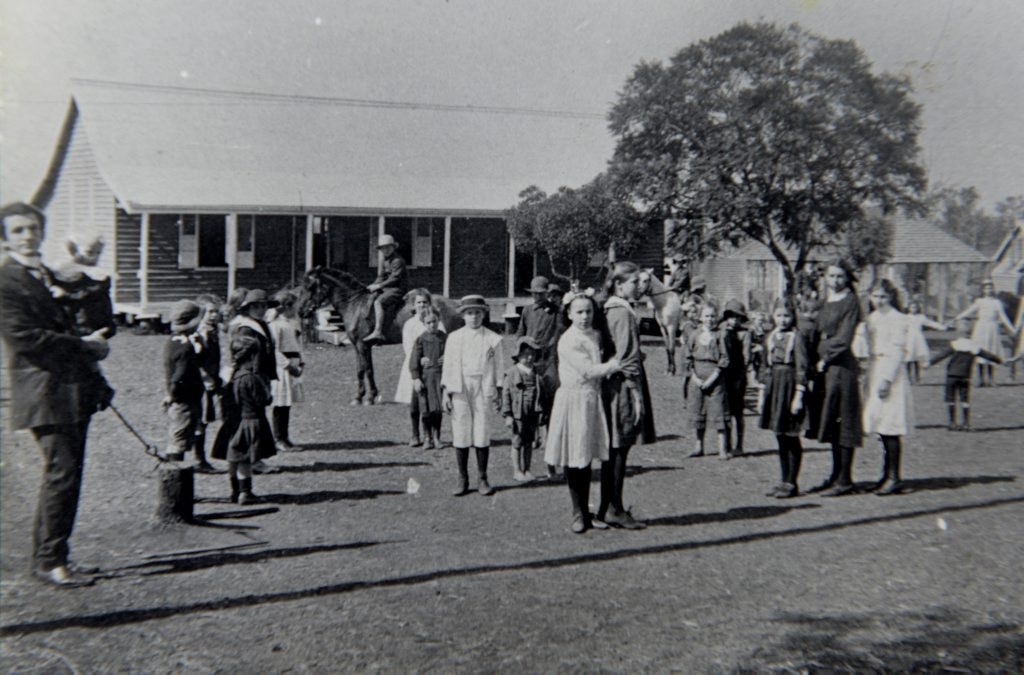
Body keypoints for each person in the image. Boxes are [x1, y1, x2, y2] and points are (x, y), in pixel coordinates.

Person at [0, 201, 110, 587]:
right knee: (62, 474)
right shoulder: (7, 281)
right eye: (18, 230)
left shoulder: (48, 274)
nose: (27, 235)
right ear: (5, 237)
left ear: (43, 232)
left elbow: (90, 314)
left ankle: (54, 556)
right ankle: (50, 561)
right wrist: (86, 346)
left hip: (71, 390)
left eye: (32, 228)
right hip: (44, 392)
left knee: (66, 474)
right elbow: (26, 338)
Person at [544, 294, 622, 533]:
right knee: (574, 455)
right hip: (573, 399)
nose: (584, 317)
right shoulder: (568, 340)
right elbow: (588, 371)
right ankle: (578, 512)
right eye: (579, 312)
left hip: (591, 400)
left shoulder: (595, 335)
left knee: (585, 454)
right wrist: (617, 363)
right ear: (568, 314)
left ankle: (588, 514)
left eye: (588, 311)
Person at [598, 261, 656, 529]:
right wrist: (634, 391)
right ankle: (615, 509)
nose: (639, 286)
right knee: (620, 447)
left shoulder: (617, 309)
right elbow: (625, 355)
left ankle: (607, 506)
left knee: (616, 447)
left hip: (617, 382)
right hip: (624, 385)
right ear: (620, 285)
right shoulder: (620, 313)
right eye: (634, 282)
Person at [808, 257, 863, 497]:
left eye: (840, 276)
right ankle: (834, 473)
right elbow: (815, 331)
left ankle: (845, 478)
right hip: (824, 371)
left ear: (847, 277)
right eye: (831, 276)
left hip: (841, 368)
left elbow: (844, 338)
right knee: (830, 419)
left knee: (845, 420)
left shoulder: (851, 302)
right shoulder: (824, 301)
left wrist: (825, 356)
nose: (835, 280)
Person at [441, 295, 504, 496]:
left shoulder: (493, 340)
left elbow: (498, 366)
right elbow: (449, 366)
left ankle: (483, 477)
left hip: (483, 386)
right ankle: (462, 477)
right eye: (469, 313)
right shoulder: (454, 338)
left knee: (482, 431)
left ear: (484, 314)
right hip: (460, 386)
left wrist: (499, 391)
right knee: (461, 430)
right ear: (463, 316)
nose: (474, 317)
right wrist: (446, 392)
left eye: (477, 313)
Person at [858, 279, 913, 495]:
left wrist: (887, 379)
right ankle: (885, 474)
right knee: (880, 426)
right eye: (875, 296)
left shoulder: (898, 319)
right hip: (874, 368)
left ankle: (894, 476)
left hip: (890, 372)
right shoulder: (871, 319)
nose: (878, 301)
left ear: (891, 297)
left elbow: (898, 351)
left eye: (883, 296)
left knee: (891, 426)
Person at [51, 231, 117, 412]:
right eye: (89, 252)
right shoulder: (61, 272)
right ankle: (98, 386)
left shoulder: (96, 277)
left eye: (98, 253)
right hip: (73, 328)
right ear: (73, 251)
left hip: (91, 326)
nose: (94, 257)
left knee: (89, 358)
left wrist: (67, 295)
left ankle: (99, 386)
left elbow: (94, 293)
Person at [212, 334, 276, 504]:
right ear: (254, 356)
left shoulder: (230, 376)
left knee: (233, 458)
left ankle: (234, 491)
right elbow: (263, 400)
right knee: (244, 460)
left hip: (233, 423)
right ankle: (246, 493)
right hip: (250, 422)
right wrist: (268, 390)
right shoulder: (251, 378)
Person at [757, 298, 808, 498]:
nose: (783, 320)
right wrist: (762, 394)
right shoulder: (770, 337)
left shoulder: (797, 337)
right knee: (779, 436)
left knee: (791, 435)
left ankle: (792, 482)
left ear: (793, 316)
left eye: (787, 315)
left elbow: (802, 367)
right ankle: (783, 479)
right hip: (774, 386)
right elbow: (763, 366)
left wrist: (799, 396)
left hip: (789, 385)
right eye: (779, 315)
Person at [517, 275, 565, 479]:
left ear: (548, 293)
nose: (537, 296)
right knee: (528, 409)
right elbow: (520, 334)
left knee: (550, 409)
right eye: (534, 293)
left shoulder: (556, 311)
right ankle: (523, 467)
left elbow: (561, 333)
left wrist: (549, 348)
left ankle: (551, 466)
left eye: (541, 293)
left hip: (549, 363)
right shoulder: (527, 311)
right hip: (530, 362)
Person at [227, 289, 279, 473]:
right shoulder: (246, 328)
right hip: (251, 375)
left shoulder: (262, 324)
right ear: (248, 308)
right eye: (257, 306)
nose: (262, 309)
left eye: (264, 305)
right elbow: (246, 354)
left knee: (258, 417)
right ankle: (252, 459)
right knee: (251, 419)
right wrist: (256, 377)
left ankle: (255, 457)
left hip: (261, 373)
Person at [927, 317, 1007, 431]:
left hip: (951, 375)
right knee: (965, 399)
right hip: (965, 376)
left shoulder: (955, 345)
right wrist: (1001, 361)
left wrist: (929, 363)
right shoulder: (974, 347)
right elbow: (988, 356)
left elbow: (941, 355)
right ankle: (966, 423)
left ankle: (952, 423)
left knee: (950, 399)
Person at [161, 300, 207, 464]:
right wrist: (173, 395)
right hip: (185, 399)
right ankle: (174, 471)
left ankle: (174, 466)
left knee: (179, 433)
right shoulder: (186, 347)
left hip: (179, 398)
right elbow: (179, 376)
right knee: (179, 437)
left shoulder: (172, 341)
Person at [397, 290, 444, 446]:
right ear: (414, 305)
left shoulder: (437, 322)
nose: (422, 305)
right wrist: (420, 358)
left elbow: (443, 342)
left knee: (431, 402)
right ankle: (415, 434)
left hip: (433, 369)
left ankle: (430, 436)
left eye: (424, 302)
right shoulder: (410, 324)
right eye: (419, 302)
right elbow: (408, 346)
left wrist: (441, 357)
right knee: (415, 403)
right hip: (415, 366)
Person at [686, 303, 730, 460]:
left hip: (715, 379)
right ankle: (699, 446)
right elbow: (688, 358)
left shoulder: (720, 335)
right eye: (706, 316)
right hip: (697, 378)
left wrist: (713, 377)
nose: (709, 319)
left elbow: (724, 358)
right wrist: (695, 378)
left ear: (716, 318)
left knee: (718, 411)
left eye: (712, 316)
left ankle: (722, 448)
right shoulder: (694, 335)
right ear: (700, 317)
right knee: (698, 410)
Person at [501, 336, 548, 482]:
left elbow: (543, 394)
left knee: (529, 442)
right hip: (518, 413)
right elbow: (506, 394)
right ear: (518, 355)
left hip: (532, 412)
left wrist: (542, 411)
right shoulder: (512, 373)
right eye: (525, 354)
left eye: (532, 355)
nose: (529, 358)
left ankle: (527, 469)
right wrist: (508, 415)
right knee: (517, 441)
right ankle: (517, 470)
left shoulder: (537, 372)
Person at [955, 279, 1014, 386]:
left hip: (992, 329)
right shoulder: (980, 301)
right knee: (980, 352)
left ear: (993, 289)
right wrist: (959, 317)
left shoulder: (997, 302)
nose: (989, 290)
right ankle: (981, 379)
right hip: (981, 329)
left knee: (991, 353)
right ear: (983, 289)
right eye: (986, 288)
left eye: (991, 287)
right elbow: (970, 310)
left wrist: (1011, 328)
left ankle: (991, 379)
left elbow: (1003, 317)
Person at [267, 290, 305, 452]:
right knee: (280, 404)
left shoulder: (291, 323)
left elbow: (296, 344)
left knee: (287, 404)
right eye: (293, 306)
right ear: (286, 306)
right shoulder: (275, 325)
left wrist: (301, 362)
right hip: (282, 368)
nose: (295, 309)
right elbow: (274, 350)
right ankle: (278, 438)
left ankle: (285, 437)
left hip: (294, 365)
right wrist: (288, 366)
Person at [193, 293, 224, 473]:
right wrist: (206, 378)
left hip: (212, 378)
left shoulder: (213, 330)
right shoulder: (200, 332)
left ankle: (200, 457)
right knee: (200, 420)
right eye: (210, 312)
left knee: (204, 419)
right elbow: (195, 360)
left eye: (216, 312)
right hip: (201, 382)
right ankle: (199, 459)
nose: (214, 315)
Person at [410, 306, 447, 449]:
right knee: (425, 410)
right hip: (425, 379)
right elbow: (414, 359)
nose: (432, 325)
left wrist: (447, 357)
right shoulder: (421, 339)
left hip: (439, 378)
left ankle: (437, 437)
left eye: (435, 321)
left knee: (437, 410)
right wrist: (416, 377)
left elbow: (452, 353)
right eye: (429, 322)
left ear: (439, 320)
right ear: (423, 323)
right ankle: (427, 437)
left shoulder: (444, 337)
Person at [719, 299, 750, 456]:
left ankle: (740, 444)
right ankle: (727, 444)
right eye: (731, 317)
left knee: (738, 412)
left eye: (737, 317)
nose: (734, 320)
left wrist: (741, 372)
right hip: (725, 375)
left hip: (737, 375)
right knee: (726, 412)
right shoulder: (722, 332)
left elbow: (746, 356)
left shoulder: (744, 334)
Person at [365, 234, 409, 343]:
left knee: (378, 302)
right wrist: (371, 286)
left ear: (393, 247)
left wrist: (379, 286)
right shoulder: (385, 261)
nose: (385, 250)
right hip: (388, 289)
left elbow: (395, 278)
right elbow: (381, 277)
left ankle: (378, 331)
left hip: (397, 289)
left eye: (388, 247)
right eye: (383, 248)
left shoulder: (397, 261)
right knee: (370, 297)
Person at [904, 299, 947, 384]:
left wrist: (941, 327)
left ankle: (917, 378)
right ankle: (907, 378)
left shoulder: (921, 317)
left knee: (916, 358)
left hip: (918, 339)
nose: (913, 309)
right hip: (909, 339)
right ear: (909, 308)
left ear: (918, 308)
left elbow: (930, 323)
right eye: (912, 307)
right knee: (908, 359)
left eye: (915, 307)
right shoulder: (905, 317)